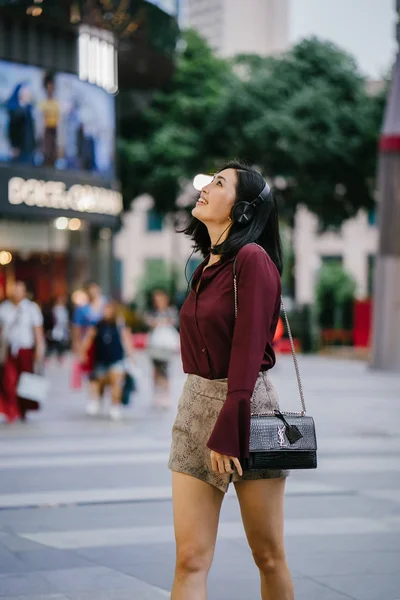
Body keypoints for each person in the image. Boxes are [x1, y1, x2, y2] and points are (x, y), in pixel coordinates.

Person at [169, 161, 294, 599]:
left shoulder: (253, 260)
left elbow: (247, 348)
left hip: (246, 408)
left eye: (218, 183)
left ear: (242, 210)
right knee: (190, 559)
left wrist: (230, 420)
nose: (205, 187)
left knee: (268, 554)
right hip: (195, 407)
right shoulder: (206, 267)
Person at [80, 301, 134, 421]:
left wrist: (131, 356)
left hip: (117, 360)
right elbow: (88, 338)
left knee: (116, 383)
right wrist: (83, 353)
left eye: (110, 310)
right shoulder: (97, 325)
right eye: (105, 309)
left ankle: (115, 407)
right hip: (100, 360)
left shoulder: (119, 324)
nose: (107, 312)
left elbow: (126, 339)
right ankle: (96, 401)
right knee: (97, 383)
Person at [0, 281, 45, 422]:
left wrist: (39, 349)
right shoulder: (4, 308)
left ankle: (23, 408)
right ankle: (11, 409)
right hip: (9, 349)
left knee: (25, 381)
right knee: (9, 380)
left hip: (26, 349)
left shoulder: (31, 308)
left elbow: (38, 331)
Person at [72, 281, 106, 415]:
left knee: (104, 371)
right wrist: (77, 344)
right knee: (92, 373)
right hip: (89, 344)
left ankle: (100, 396)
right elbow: (76, 328)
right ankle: (93, 399)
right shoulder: (82, 309)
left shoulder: (106, 305)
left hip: (105, 344)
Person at [145, 289, 179, 409]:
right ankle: (156, 392)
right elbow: (149, 322)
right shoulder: (152, 312)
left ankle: (166, 394)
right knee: (156, 369)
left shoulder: (171, 311)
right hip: (155, 344)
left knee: (165, 369)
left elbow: (173, 322)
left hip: (166, 345)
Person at [38, 72, 60, 167]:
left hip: (54, 132)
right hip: (46, 133)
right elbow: (40, 123)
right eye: (49, 87)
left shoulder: (57, 104)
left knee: (53, 157)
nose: (50, 89)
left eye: (52, 87)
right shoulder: (42, 104)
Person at [44, 295, 70, 364]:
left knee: (60, 345)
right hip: (53, 331)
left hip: (61, 331)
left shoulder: (65, 310)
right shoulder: (53, 309)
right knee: (51, 346)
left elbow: (66, 322)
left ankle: (60, 357)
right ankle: (47, 358)